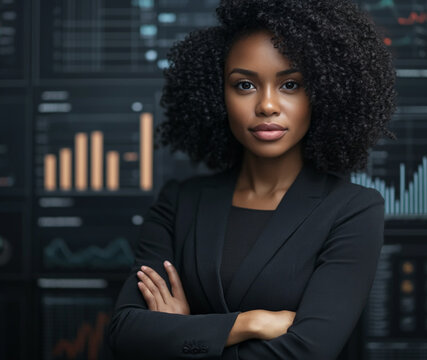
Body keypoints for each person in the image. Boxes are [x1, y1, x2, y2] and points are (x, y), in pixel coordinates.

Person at [107, 0, 396, 358]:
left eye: (290, 84)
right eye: (244, 85)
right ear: (217, 96)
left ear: (322, 94)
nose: (267, 105)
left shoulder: (352, 210)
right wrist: (247, 323)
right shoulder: (180, 202)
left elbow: (307, 353)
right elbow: (124, 334)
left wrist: (181, 335)